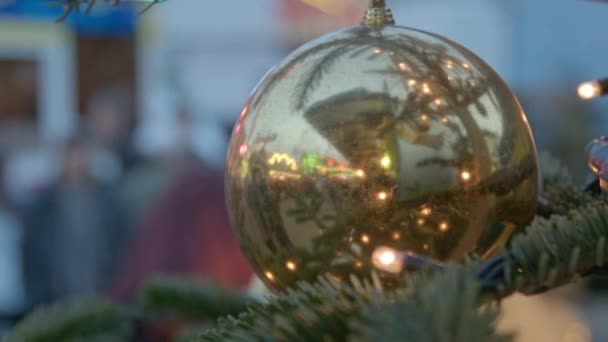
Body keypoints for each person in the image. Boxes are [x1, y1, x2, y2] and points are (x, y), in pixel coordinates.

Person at [22, 137, 126, 307]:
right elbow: (32, 252)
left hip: (101, 290)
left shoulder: (107, 200)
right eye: (71, 156)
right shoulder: (43, 206)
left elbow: (121, 243)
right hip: (57, 294)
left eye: (80, 155)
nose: (76, 162)